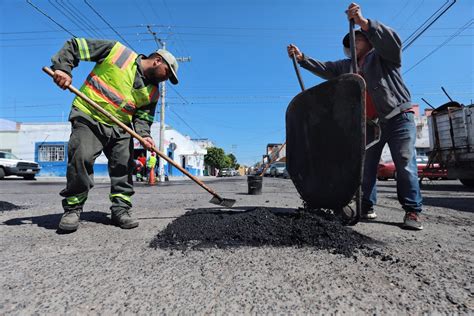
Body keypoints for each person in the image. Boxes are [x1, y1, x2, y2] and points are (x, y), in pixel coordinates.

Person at [287, 3, 423, 230]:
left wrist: (363, 23)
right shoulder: (346, 66)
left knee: (404, 161)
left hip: (398, 116)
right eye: (350, 42)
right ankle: (366, 206)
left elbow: (392, 42)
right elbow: (326, 68)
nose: (353, 44)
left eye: (357, 39)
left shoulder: (383, 56)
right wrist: (302, 59)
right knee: (365, 167)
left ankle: (412, 210)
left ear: (369, 41)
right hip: (370, 124)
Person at [51, 38, 179, 232]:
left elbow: (143, 118)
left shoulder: (153, 92)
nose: (166, 79)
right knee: (81, 157)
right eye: (167, 73)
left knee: (124, 165)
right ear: (157, 61)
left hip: (120, 127)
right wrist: (62, 68)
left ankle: (121, 209)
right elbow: (75, 46)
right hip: (89, 116)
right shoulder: (117, 52)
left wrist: (145, 135)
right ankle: (73, 208)